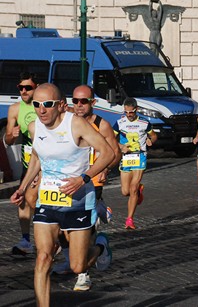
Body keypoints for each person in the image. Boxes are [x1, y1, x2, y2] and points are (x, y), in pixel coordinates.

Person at [10, 83, 114, 307]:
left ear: (59, 105)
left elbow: (108, 153)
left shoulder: (76, 125)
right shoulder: (34, 127)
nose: (41, 110)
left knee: (77, 266)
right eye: (37, 105)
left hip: (77, 201)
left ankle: (100, 247)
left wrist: (83, 179)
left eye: (47, 105)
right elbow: (37, 159)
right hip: (47, 200)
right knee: (43, 258)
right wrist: (22, 187)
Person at [52, 85, 121, 290]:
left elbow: (115, 153)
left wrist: (105, 169)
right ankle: (71, 258)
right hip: (66, 182)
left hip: (92, 183)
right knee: (58, 227)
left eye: (84, 101)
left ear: (93, 102)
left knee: (82, 230)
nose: (79, 105)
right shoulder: (67, 121)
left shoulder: (103, 125)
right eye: (75, 101)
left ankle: (83, 273)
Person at [4, 72, 38, 256]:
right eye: (21, 88)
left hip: (46, 160)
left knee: (37, 200)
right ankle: (26, 239)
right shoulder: (15, 109)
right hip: (28, 160)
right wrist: (12, 135)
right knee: (24, 199)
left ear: (36, 88)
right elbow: (8, 140)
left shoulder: (43, 106)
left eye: (28, 88)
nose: (24, 91)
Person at [113, 97, 157, 229]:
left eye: (130, 112)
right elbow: (110, 138)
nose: (128, 115)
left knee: (132, 188)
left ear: (136, 110)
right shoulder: (119, 123)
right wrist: (121, 146)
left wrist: (151, 141)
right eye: (126, 112)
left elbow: (154, 136)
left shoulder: (144, 123)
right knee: (125, 191)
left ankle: (129, 219)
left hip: (140, 156)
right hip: (126, 157)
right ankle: (139, 191)